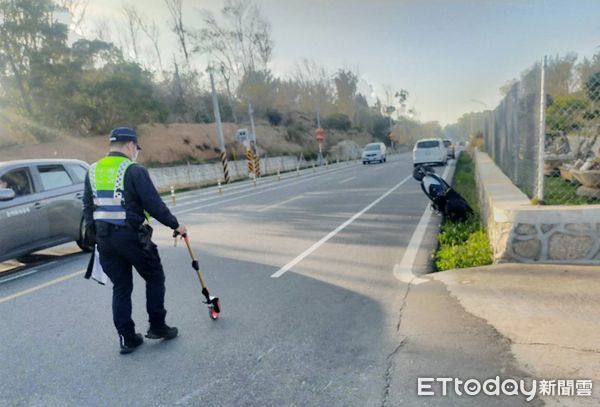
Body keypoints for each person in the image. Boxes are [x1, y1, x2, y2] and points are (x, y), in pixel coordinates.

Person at [83, 127, 187, 355]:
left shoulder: (92, 170)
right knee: (154, 276)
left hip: (105, 239)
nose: (136, 153)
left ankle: (127, 338)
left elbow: (88, 207)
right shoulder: (134, 170)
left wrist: (96, 240)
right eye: (135, 148)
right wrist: (175, 225)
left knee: (121, 287)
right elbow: (153, 204)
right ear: (130, 145)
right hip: (131, 236)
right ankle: (158, 326)